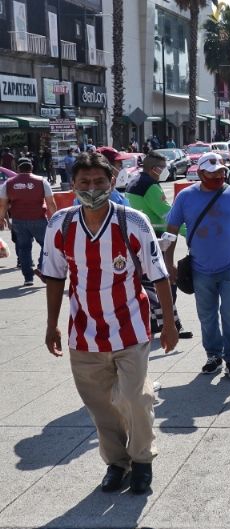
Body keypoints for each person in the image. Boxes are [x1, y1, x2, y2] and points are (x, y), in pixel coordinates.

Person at [41, 151, 177, 495]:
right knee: (101, 407)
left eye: (99, 181)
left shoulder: (132, 221)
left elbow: (158, 274)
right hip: (84, 335)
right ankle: (117, 464)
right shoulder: (61, 224)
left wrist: (171, 323)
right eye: (84, 182)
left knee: (135, 398)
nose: (92, 188)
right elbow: (55, 277)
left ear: (111, 182)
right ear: (72, 185)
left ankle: (142, 461)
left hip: (130, 329)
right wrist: (51, 324)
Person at [164, 152, 230, 380]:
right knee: (206, 316)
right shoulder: (185, 197)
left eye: (221, 172)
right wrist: (167, 264)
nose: (218, 176)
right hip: (200, 269)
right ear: (200, 173)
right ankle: (213, 355)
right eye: (212, 172)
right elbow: (171, 231)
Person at [125, 151, 193, 339]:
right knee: (166, 283)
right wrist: (191, 233)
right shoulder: (151, 186)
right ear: (155, 169)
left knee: (148, 285)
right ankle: (171, 325)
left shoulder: (134, 181)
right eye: (163, 168)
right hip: (155, 240)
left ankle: (155, 323)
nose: (166, 171)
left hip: (138, 239)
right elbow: (168, 216)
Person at [0, 157, 57, 286]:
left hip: (18, 221)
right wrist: (56, 218)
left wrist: (1, 218)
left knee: (24, 248)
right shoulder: (42, 181)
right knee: (47, 245)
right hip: (39, 219)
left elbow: (2, 205)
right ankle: (42, 268)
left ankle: (28, 278)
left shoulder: (8, 183)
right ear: (31, 167)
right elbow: (51, 203)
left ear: (18, 168)